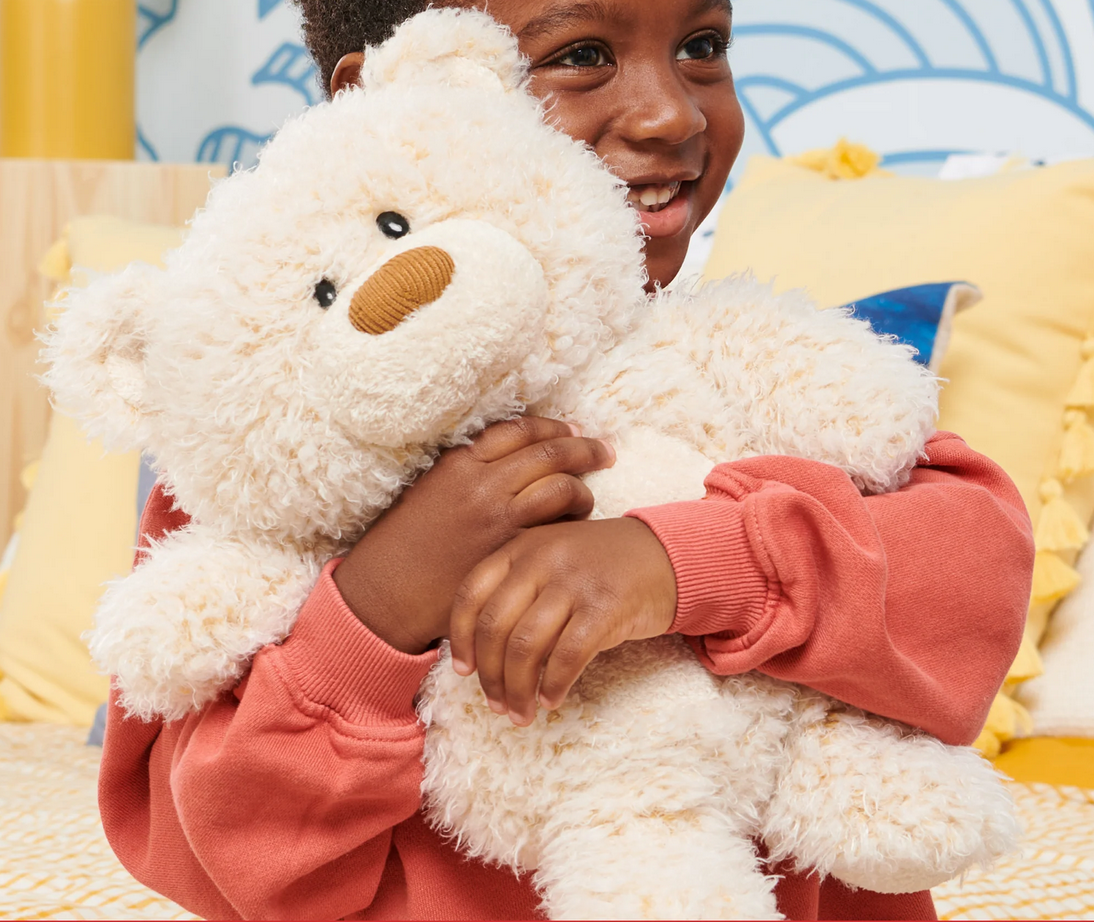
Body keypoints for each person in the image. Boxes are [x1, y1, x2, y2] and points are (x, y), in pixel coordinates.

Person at [98, 0, 1035, 918]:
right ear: (392, 96)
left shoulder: (734, 371)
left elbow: (972, 562)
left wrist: (681, 563)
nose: (672, 111)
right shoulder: (273, 471)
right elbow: (218, 858)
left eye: (702, 44)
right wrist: (375, 606)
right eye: (581, 54)